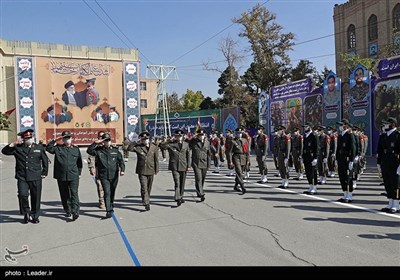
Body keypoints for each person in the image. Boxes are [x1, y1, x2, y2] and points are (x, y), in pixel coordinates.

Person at [1, 129, 49, 224]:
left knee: (36, 197)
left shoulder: (39, 147)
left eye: (30, 138)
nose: (29, 139)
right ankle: (26, 213)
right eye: (26, 138)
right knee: (23, 195)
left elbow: (45, 160)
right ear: (23, 139)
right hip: (22, 176)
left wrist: (44, 172)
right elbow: (5, 151)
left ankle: (35, 215)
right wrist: (13, 144)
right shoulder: (18, 148)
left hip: (35, 176)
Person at [46, 131, 82, 221]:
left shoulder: (75, 149)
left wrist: (79, 173)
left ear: (71, 138)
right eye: (65, 138)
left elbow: (79, 163)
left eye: (69, 138)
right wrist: (55, 140)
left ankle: (75, 211)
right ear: (62, 139)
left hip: (73, 175)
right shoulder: (58, 148)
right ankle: (68, 210)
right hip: (61, 175)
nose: (67, 140)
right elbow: (48, 148)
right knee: (64, 194)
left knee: (74, 193)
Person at [87, 132, 125, 218]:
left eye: (108, 140)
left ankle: (110, 204)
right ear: (102, 142)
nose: (107, 142)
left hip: (114, 175)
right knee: (107, 192)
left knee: (112, 192)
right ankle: (109, 210)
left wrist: (122, 170)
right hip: (103, 175)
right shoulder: (99, 150)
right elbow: (89, 151)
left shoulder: (115, 150)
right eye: (105, 141)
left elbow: (121, 161)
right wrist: (95, 143)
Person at [128, 131, 159, 211]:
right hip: (141, 170)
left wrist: (156, 169)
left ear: (149, 139)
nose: (145, 140)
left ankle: (145, 198)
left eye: (146, 139)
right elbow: (129, 148)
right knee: (144, 187)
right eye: (143, 139)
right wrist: (135, 142)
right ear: (141, 140)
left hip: (151, 169)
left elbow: (156, 159)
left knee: (149, 187)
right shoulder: (139, 147)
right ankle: (146, 202)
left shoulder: (154, 147)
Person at [377, 117, 400, 214]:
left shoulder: (398, 135)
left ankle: (396, 204)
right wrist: (378, 163)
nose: (385, 126)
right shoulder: (383, 136)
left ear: (392, 124)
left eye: (387, 124)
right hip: (385, 162)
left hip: (395, 162)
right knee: (387, 183)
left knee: (395, 183)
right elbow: (380, 150)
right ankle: (390, 203)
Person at [163, 129, 191, 207]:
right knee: (177, 182)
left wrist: (188, 166)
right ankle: (177, 198)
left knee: (182, 182)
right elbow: (163, 146)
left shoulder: (186, 144)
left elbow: (188, 155)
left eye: (180, 136)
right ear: (175, 137)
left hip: (183, 165)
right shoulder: (171, 144)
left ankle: (181, 196)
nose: (179, 138)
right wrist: (169, 140)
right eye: (177, 136)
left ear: (183, 137)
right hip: (174, 166)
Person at [336, 119, 356, 203]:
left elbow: (353, 148)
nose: (340, 127)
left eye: (342, 125)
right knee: (342, 176)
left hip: (347, 159)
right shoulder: (340, 135)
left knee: (348, 177)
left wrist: (351, 160)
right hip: (341, 158)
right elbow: (338, 148)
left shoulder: (350, 135)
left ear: (346, 126)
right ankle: (344, 194)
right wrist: (337, 159)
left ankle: (349, 195)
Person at [189, 128, 211, 202]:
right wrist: (193, 137)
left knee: (202, 178)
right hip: (196, 163)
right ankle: (201, 193)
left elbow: (209, 154)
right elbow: (188, 143)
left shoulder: (207, 142)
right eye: (200, 135)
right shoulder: (194, 142)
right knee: (198, 178)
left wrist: (209, 164)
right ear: (197, 135)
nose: (201, 136)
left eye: (202, 135)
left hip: (204, 163)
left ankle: (199, 191)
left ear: (205, 135)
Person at [227, 127, 249, 194]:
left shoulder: (245, 140)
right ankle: (243, 187)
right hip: (236, 157)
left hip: (243, 157)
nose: (239, 134)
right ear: (236, 133)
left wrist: (248, 160)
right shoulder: (233, 141)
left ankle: (236, 186)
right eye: (238, 133)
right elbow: (230, 152)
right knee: (239, 172)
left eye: (240, 133)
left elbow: (247, 151)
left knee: (240, 172)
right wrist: (230, 161)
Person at [88, 131, 106, 209]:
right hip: (99, 169)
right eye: (100, 137)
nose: (101, 138)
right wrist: (91, 167)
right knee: (100, 186)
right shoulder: (95, 147)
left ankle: (107, 200)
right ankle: (102, 201)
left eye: (103, 137)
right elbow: (91, 157)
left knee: (108, 187)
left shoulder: (109, 145)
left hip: (109, 170)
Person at [302, 123, 319, 195]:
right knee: (308, 172)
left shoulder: (314, 136)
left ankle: (314, 187)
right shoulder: (305, 136)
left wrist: (316, 158)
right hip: (306, 156)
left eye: (306, 127)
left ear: (310, 127)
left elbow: (317, 147)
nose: (305, 128)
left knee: (313, 172)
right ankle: (310, 186)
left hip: (312, 156)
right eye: (304, 127)